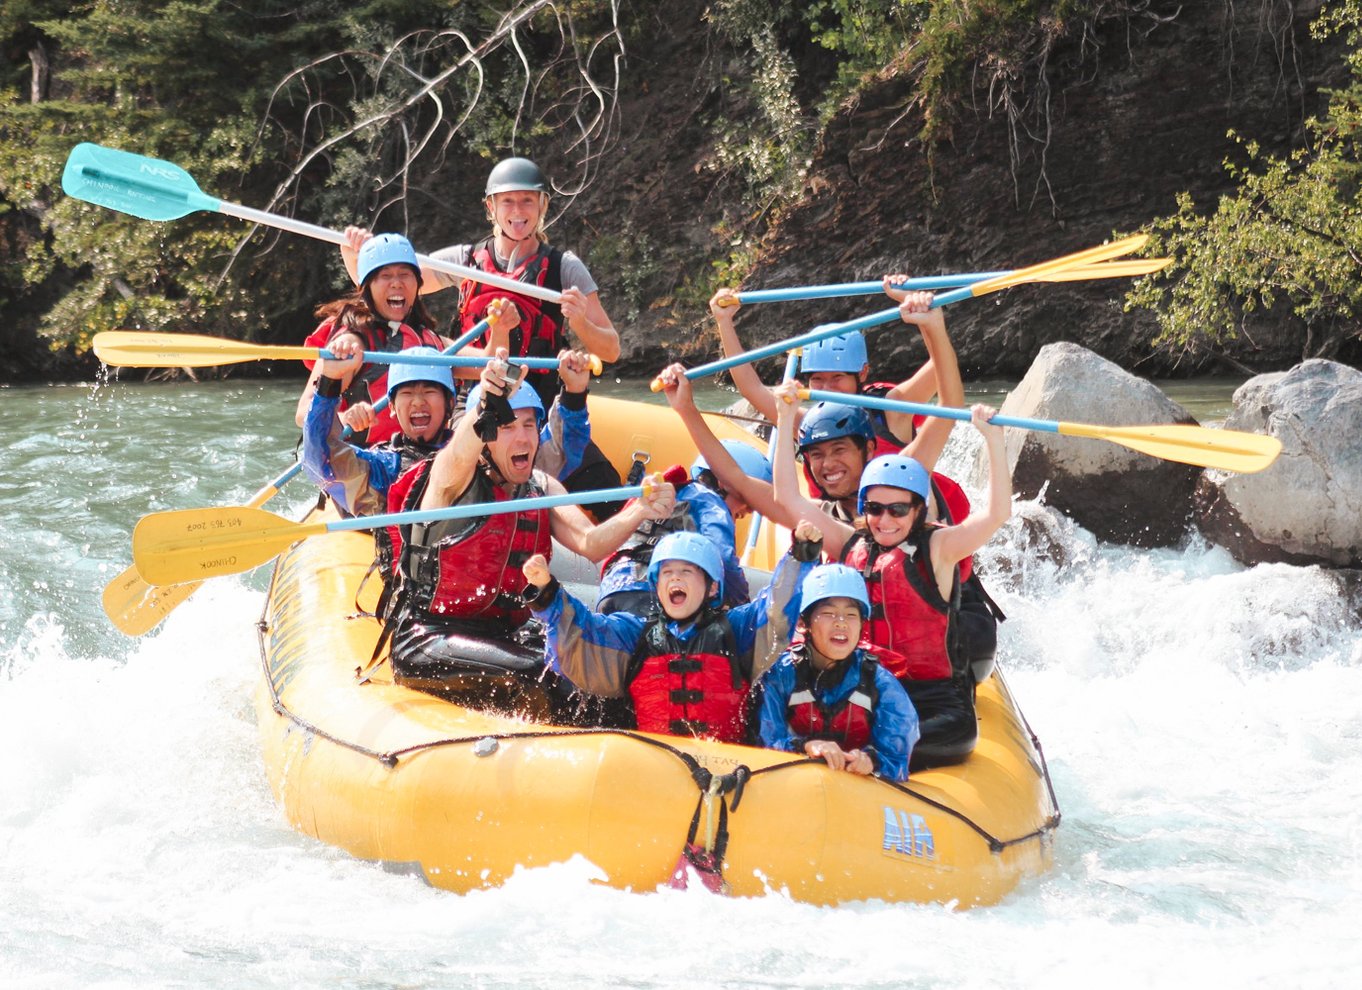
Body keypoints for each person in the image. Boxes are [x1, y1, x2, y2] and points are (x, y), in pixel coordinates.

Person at [376, 350, 674, 704]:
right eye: (506, 427)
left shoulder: (542, 487)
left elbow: (591, 542)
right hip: (429, 636)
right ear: (485, 437)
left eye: (529, 425)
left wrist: (639, 510)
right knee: (539, 673)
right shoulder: (450, 481)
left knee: (599, 675)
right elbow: (458, 453)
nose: (522, 439)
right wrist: (486, 402)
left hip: (511, 632)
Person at [772, 399, 1012, 770]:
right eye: (874, 508)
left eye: (898, 509)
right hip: (871, 693)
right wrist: (786, 415)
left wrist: (993, 440)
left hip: (935, 703)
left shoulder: (939, 548)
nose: (885, 520)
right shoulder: (850, 543)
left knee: (929, 736)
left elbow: (997, 514)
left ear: (918, 509)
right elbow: (786, 497)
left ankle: (872, 758)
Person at [522, 526, 822, 742]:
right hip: (658, 766)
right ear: (657, 586)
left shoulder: (737, 631)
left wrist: (798, 557)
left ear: (713, 587)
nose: (675, 577)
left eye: (687, 571)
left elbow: (775, 608)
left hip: (727, 762)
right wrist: (547, 593)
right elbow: (585, 634)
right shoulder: (636, 635)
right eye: (667, 573)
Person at [757, 564, 919, 781]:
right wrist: (806, 746)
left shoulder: (880, 684)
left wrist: (871, 760)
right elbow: (764, 743)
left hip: (856, 793)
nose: (841, 623)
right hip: (792, 783)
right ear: (804, 623)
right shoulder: (781, 675)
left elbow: (897, 760)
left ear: (862, 625)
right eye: (828, 613)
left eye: (850, 615)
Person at [296, 233, 451, 446]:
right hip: (366, 462)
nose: (396, 283)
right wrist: (344, 418)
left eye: (405, 275)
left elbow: (487, 360)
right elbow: (304, 412)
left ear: (417, 284)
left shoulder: (428, 339)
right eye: (385, 276)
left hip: (422, 458)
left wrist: (501, 330)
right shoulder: (352, 341)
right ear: (367, 286)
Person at [595, 439, 772, 616]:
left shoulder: (671, 493)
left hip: (611, 590)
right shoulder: (710, 503)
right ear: (724, 483)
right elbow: (722, 559)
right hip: (649, 592)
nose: (751, 509)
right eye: (749, 497)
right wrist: (744, 606)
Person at [301, 343, 457, 517]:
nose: (418, 401)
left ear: (450, 403)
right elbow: (320, 461)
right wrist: (329, 381)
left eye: (429, 391)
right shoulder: (384, 468)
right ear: (391, 407)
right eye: (407, 393)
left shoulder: (475, 452)